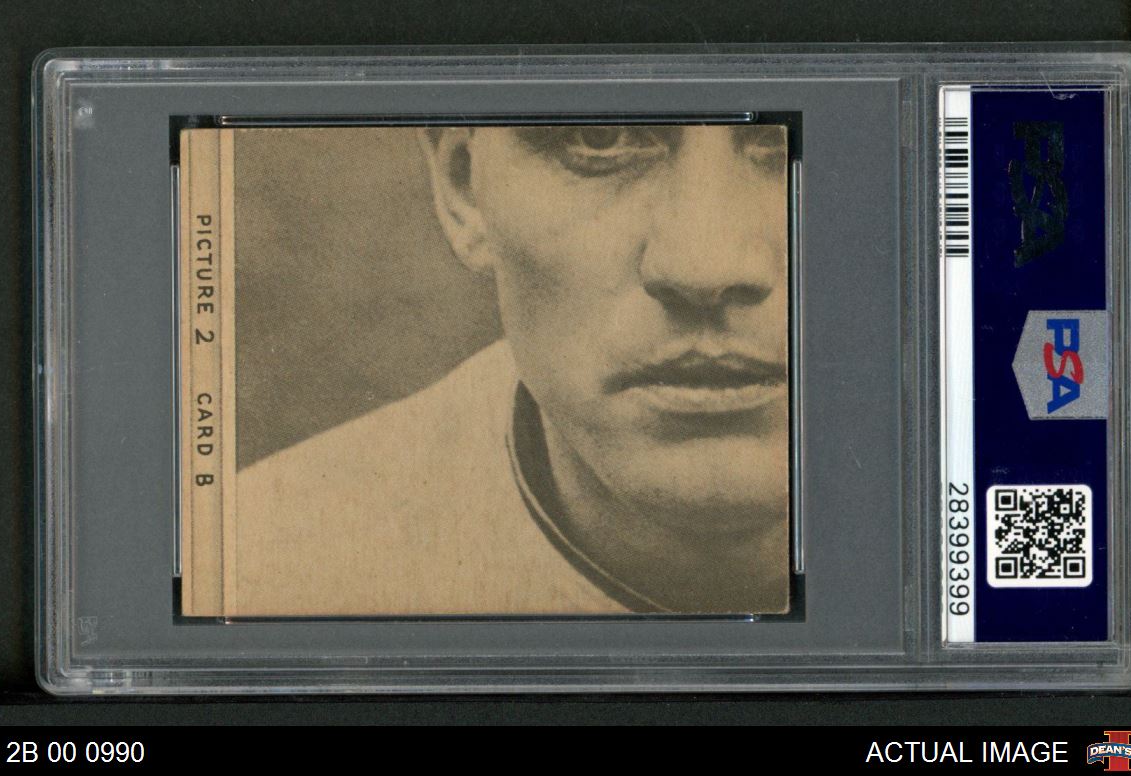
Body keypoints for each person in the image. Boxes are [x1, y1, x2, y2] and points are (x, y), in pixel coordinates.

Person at [229, 124, 790, 616]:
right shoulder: (248, 574)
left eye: (804, 137)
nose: (704, 266)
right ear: (464, 187)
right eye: (599, 138)